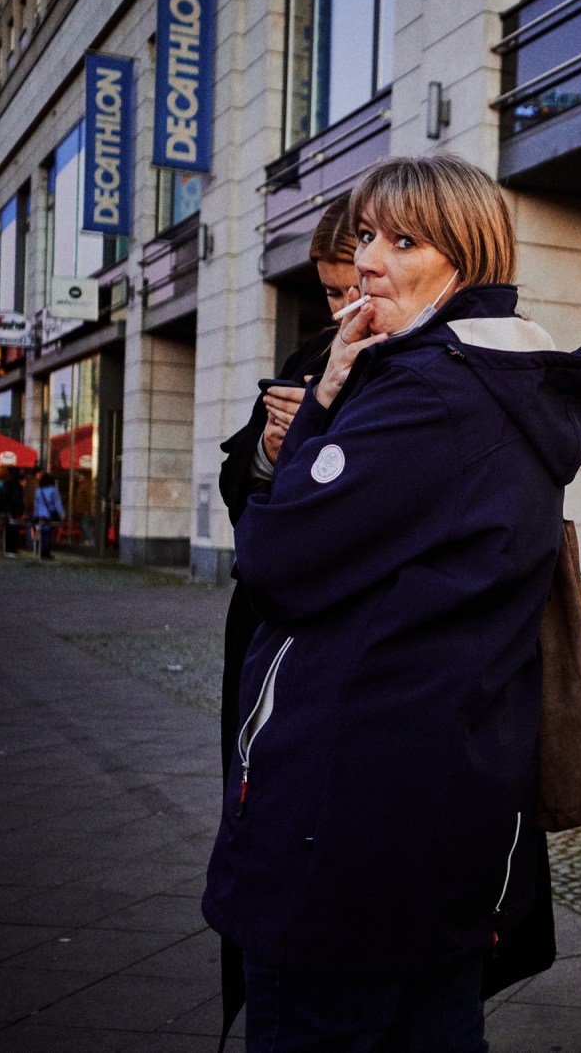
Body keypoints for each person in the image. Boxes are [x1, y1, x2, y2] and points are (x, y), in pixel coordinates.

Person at [203, 153, 581, 1051]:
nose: (368, 262)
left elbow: (273, 557)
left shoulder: (430, 391)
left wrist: (319, 411)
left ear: (462, 260)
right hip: (442, 814)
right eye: (364, 236)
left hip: (342, 832)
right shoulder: (499, 382)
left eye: (403, 240)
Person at [212, 193, 360, 1042]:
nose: (342, 307)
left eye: (352, 287)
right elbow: (250, 494)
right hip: (274, 644)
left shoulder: (419, 367)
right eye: (330, 291)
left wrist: (307, 443)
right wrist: (272, 449)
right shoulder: (312, 353)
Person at [30, 471, 63, 559]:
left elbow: (35, 504)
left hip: (40, 514)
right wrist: (61, 514)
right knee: (48, 533)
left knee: (42, 532)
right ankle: (46, 552)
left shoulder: (38, 490)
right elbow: (57, 503)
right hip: (50, 514)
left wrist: (35, 514)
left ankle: (41, 551)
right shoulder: (53, 489)